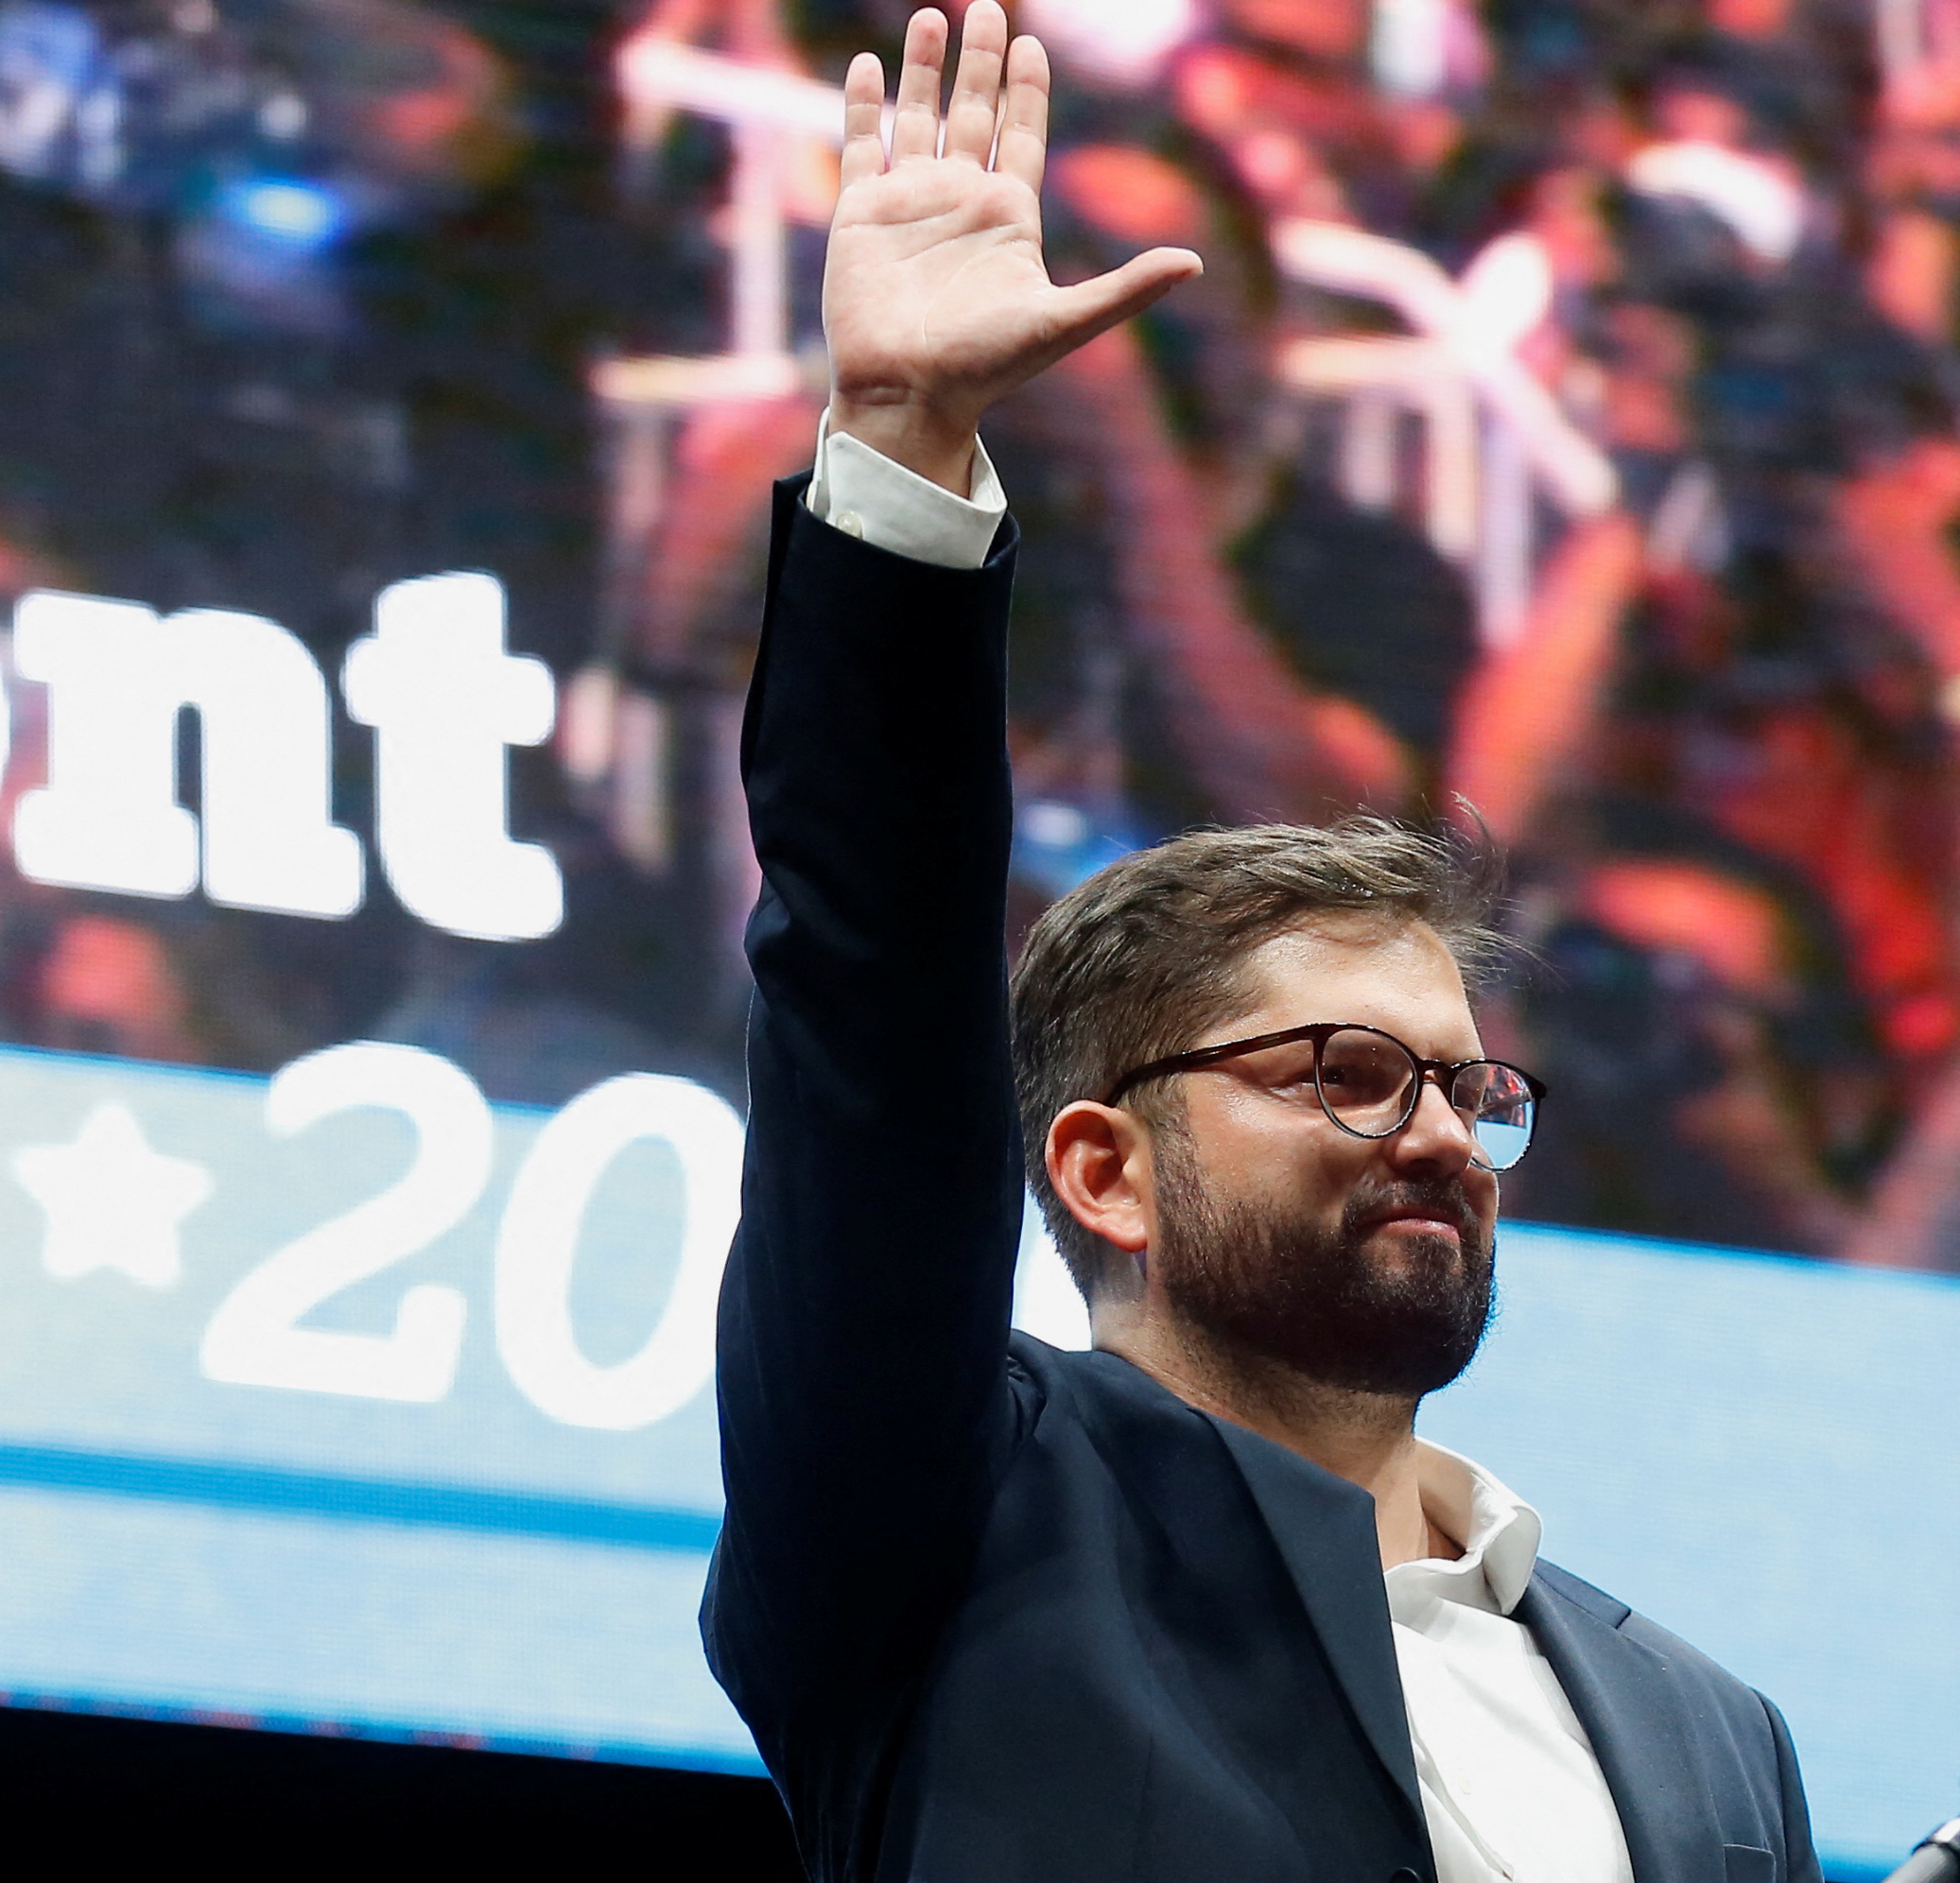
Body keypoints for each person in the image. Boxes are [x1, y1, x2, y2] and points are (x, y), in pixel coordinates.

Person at [699, 7, 1820, 1877]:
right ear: (1102, 1165)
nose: (1448, 1136)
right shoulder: (954, 1516)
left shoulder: (1714, 1735)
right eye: (1352, 1076)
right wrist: (903, 445)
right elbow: (869, 1033)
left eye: (1472, 1089)